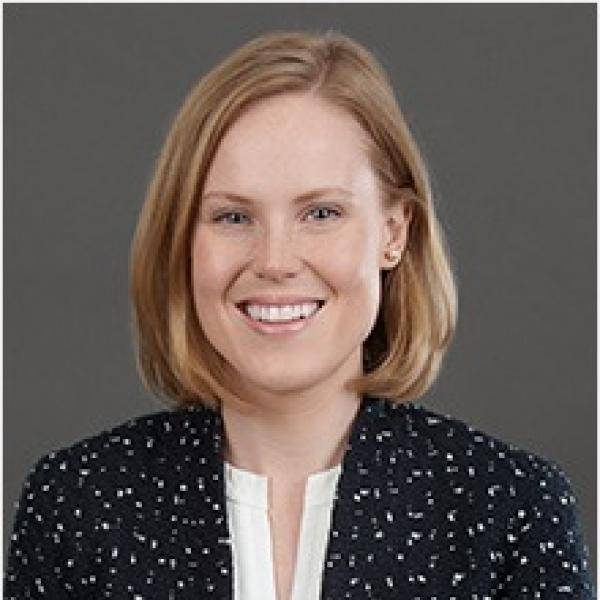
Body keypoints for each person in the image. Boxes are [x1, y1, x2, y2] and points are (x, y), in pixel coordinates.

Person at [5, 29, 595, 600]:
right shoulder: (78, 505)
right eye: (233, 217)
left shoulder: (510, 508)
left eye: (321, 213)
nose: (274, 261)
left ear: (393, 233)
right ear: (183, 241)